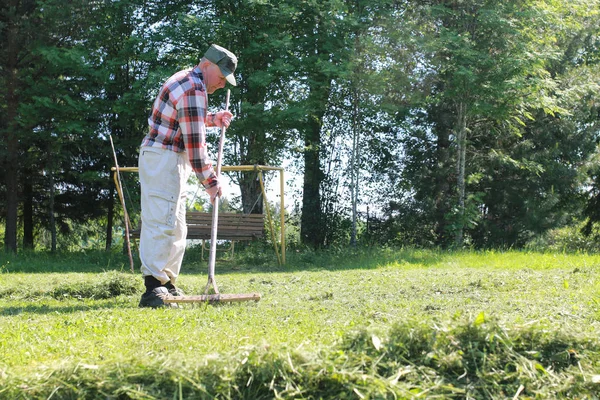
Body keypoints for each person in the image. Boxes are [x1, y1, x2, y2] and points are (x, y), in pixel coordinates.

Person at [137, 44, 237, 308]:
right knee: (162, 222)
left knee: (177, 225)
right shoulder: (194, 88)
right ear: (206, 66)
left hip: (170, 158)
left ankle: (167, 284)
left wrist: (213, 118)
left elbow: (189, 118)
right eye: (221, 75)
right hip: (164, 158)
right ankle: (153, 289)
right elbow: (195, 145)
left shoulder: (191, 83)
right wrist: (211, 182)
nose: (223, 83)